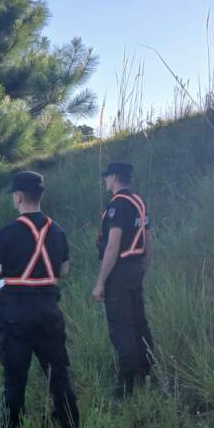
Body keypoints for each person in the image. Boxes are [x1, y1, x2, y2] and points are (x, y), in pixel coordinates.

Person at [0, 170, 79, 428]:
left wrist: (7, 270)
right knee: (60, 378)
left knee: (15, 383)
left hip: (16, 315)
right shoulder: (57, 230)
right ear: (41, 196)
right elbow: (63, 271)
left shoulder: (8, 231)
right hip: (48, 312)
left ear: (19, 196)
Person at [92, 161, 155, 398]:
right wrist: (141, 268)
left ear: (116, 178)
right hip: (136, 268)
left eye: (107, 177)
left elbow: (112, 246)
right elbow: (148, 241)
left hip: (118, 273)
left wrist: (100, 283)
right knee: (140, 323)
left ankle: (125, 388)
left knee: (121, 328)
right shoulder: (139, 202)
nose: (105, 181)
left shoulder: (117, 205)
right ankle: (145, 373)